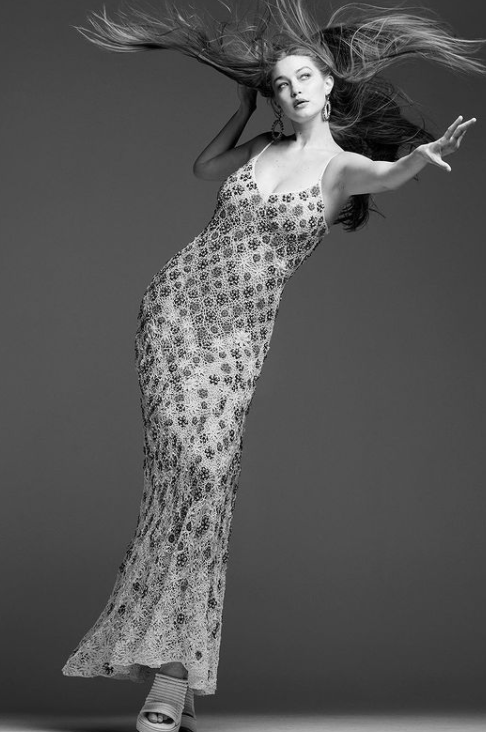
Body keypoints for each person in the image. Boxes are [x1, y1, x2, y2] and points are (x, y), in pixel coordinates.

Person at [62, 1, 484, 730]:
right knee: (176, 479)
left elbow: (388, 175)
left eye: (303, 78)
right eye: (280, 84)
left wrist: (425, 156)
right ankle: (170, 679)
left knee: (205, 480)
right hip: (174, 311)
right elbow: (204, 168)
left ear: (328, 85)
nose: (291, 90)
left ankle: (172, 670)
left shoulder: (340, 168)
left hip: (237, 339)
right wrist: (239, 108)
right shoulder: (261, 145)